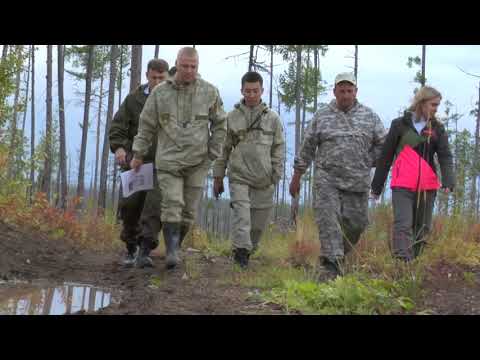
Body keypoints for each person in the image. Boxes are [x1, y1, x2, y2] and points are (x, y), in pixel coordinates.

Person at [131, 47, 227, 270]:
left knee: (189, 211)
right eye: (184, 66)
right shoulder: (160, 93)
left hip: (198, 161)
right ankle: (172, 253)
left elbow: (221, 124)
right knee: (172, 204)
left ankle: (176, 246)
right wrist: (138, 153)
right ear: (177, 64)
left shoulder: (209, 92)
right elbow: (146, 125)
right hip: (169, 161)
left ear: (198, 67)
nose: (189, 71)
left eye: (193, 67)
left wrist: (213, 152)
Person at [289, 72, 386, 278]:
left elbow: (384, 147)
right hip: (327, 179)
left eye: (349, 91)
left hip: (358, 181)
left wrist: (368, 161)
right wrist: (297, 176)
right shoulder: (322, 116)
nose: (345, 95)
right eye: (341, 91)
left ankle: (335, 256)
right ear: (334, 92)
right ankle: (331, 265)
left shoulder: (370, 117)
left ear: (355, 92)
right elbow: (307, 147)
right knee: (328, 221)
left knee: (357, 224)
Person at [371, 86, 455, 261]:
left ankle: (415, 263)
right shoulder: (399, 125)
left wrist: (448, 181)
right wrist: (376, 187)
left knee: (422, 228)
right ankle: (402, 263)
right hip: (402, 185)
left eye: (437, 105)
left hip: (427, 185)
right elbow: (386, 157)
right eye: (433, 105)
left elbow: (445, 155)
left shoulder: (437, 128)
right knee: (403, 224)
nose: (436, 109)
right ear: (421, 103)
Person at [213, 71, 285, 269]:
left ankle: (246, 249)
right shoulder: (231, 117)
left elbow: (279, 147)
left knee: (258, 224)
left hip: (264, 178)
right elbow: (222, 149)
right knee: (242, 217)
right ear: (242, 90)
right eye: (248, 91)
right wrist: (218, 176)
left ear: (262, 90)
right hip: (239, 176)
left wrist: (276, 173)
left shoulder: (273, 118)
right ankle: (241, 254)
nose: (251, 95)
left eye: (255, 91)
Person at [109, 58, 169, 267]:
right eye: (154, 77)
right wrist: (119, 148)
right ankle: (130, 248)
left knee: (154, 207)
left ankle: (145, 250)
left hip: (163, 163)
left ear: (168, 76)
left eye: (162, 77)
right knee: (131, 205)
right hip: (136, 161)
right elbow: (118, 127)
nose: (158, 81)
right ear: (147, 76)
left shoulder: (172, 99)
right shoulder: (133, 100)